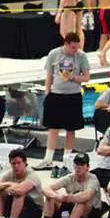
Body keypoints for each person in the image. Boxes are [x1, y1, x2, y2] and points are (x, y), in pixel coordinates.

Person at [34, 32, 91, 170]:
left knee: (71, 129)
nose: (75, 50)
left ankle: (67, 160)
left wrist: (73, 77)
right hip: (56, 95)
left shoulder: (81, 56)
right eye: (73, 47)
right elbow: (49, 75)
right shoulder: (54, 54)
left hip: (73, 96)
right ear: (66, 44)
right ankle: (48, 159)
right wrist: (48, 92)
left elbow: (86, 77)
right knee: (53, 128)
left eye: (77, 47)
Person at [30, 152, 102, 218]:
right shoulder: (69, 177)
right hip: (70, 214)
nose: (78, 167)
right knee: (50, 196)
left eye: (82, 164)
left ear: (87, 167)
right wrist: (57, 197)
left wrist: (70, 198)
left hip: (89, 217)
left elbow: (87, 196)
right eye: (76, 164)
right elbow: (46, 189)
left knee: (81, 200)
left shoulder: (93, 179)